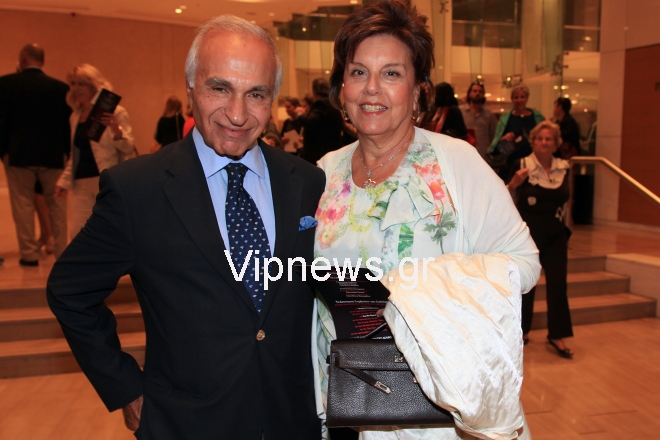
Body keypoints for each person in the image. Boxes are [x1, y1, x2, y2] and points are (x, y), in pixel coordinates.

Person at [47, 15, 325, 440]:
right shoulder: (137, 190)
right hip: (184, 422)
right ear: (191, 87)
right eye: (220, 88)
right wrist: (125, 387)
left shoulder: (306, 181)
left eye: (256, 94)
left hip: (292, 420)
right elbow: (69, 291)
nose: (237, 114)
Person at [315, 1, 540, 439]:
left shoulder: (455, 162)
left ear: (418, 90)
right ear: (342, 89)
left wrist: (418, 289)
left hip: (437, 408)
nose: (372, 89)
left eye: (391, 73)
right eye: (358, 72)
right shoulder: (324, 172)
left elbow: (525, 263)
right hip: (346, 399)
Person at [506, 120, 574, 358]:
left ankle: (557, 334)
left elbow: (568, 202)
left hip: (556, 234)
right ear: (533, 142)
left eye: (549, 139)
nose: (544, 143)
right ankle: (521, 331)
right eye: (540, 138)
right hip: (528, 235)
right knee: (526, 284)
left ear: (556, 144)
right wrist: (514, 184)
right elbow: (503, 199)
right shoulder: (521, 165)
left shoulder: (564, 168)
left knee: (558, 284)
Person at [0, 43, 71, 265]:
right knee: (57, 206)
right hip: (53, 156)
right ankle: (62, 252)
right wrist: (66, 153)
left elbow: (1, 122)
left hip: (18, 154)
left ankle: (29, 254)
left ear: (22, 59)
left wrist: (3, 152)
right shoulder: (60, 89)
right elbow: (66, 126)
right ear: (42, 61)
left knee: (22, 205)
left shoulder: (6, 84)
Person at [54, 64, 135, 241]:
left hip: (105, 181)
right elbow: (74, 155)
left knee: (109, 232)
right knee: (78, 233)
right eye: (73, 84)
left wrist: (116, 130)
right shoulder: (75, 116)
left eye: (81, 84)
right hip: (80, 184)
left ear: (93, 86)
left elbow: (128, 147)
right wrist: (63, 181)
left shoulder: (116, 112)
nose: (75, 89)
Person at [488, 85, 544, 179]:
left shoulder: (538, 117)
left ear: (527, 98)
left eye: (522, 97)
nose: (519, 100)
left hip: (533, 161)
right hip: (510, 163)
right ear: (512, 99)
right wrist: (504, 138)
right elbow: (495, 145)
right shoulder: (505, 119)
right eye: (516, 97)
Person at [299, 78, 345, 165]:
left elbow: (310, 122)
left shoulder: (321, 103)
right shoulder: (333, 102)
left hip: (320, 152)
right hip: (333, 149)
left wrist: (299, 115)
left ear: (314, 91)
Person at [460, 81, 497, 158]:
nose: (477, 93)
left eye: (480, 91)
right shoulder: (461, 111)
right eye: (475, 91)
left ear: (483, 94)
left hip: (483, 156)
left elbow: (493, 136)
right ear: (469, 93)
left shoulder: (489, 114)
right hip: (464, 154)